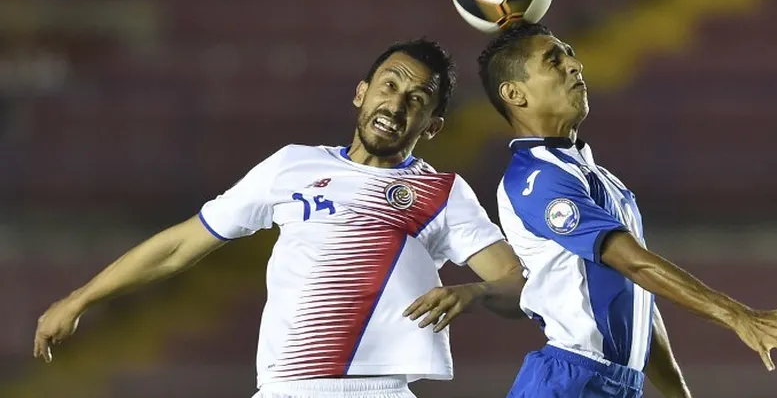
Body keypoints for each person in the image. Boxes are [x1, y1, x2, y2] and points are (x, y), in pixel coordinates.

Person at [34, 38, 526, 398]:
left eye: (416, 100)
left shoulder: (439, 193)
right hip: (283, 388)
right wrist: (80, 299)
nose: (395, 104)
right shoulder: (291, 165)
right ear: (361, 92)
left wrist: (474, 291)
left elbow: (516, 280)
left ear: (433, 125)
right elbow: (181, 246)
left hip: (377, 389)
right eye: (388, 85)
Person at [476, 23, 777, 398]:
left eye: (570, 53)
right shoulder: (537, 178)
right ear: (514, 93)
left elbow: (637, 302)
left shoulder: (600, 179)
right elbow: (634, 262)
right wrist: (737, 316)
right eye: (554, 61)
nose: (575, 65)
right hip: (568, 382)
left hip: (615, 385)